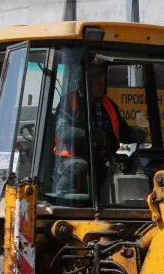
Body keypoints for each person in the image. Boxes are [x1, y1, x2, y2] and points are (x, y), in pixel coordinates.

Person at [54, 61, 145, 196]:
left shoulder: (108, 106)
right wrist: (89, 134)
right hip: (72, 161)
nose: (102, 85)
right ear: (85, 82)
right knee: (79, 169)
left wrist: (135, 134)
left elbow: (123, 130)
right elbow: (62, 131)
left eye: (103, 82)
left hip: (103, 161)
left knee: (136, 172)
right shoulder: (69, 103)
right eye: (98, 82)